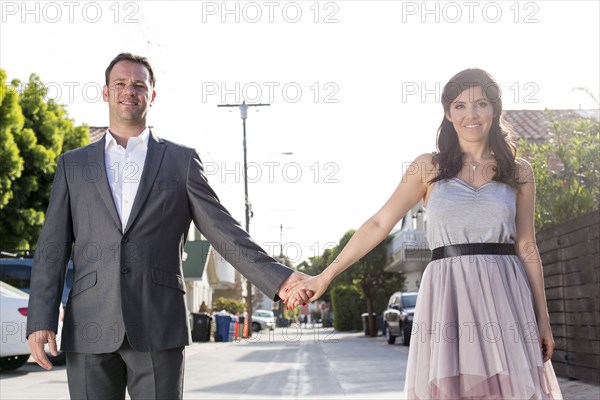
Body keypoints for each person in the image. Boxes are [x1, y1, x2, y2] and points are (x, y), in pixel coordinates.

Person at [26, 52, 310, 399]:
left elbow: (222, 230)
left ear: (152, 96)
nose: (129, 91)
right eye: (120, 83)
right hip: (89, 324)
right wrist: (40, 319)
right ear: (105, 92)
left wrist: (278, 279)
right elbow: (51, 247)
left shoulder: (180, 161)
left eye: (138, 85)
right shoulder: (73, 164)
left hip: (158, 322)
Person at [283, 68, 563, 399]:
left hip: (505, 295)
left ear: (495, 109)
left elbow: (527, 246)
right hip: (447, 295)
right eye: (459, 106)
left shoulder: (519, 172)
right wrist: (325, 276)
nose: (470, 115)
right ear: (447, 113)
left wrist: (542, 320)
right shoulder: (426, 167)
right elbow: (379, 223)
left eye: (480, 104)